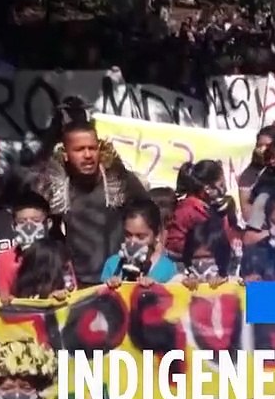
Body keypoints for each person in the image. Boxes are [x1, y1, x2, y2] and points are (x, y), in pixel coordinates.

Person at [35, 121, 147, 288]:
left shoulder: (119, 180)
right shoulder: (55, 186)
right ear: (65, 154)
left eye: (92, 148)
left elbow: (151, 217)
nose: (88, 155)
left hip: (121, 279)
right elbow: (50, 234)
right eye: (79, 150)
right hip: (79, 284)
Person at [102, 200, 178, 287]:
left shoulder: (167, 268)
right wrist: (109, 287)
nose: (133, 241)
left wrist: (156, 289)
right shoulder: (112, 264)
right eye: (128, 235)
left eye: (141, 237)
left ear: (156, 234)